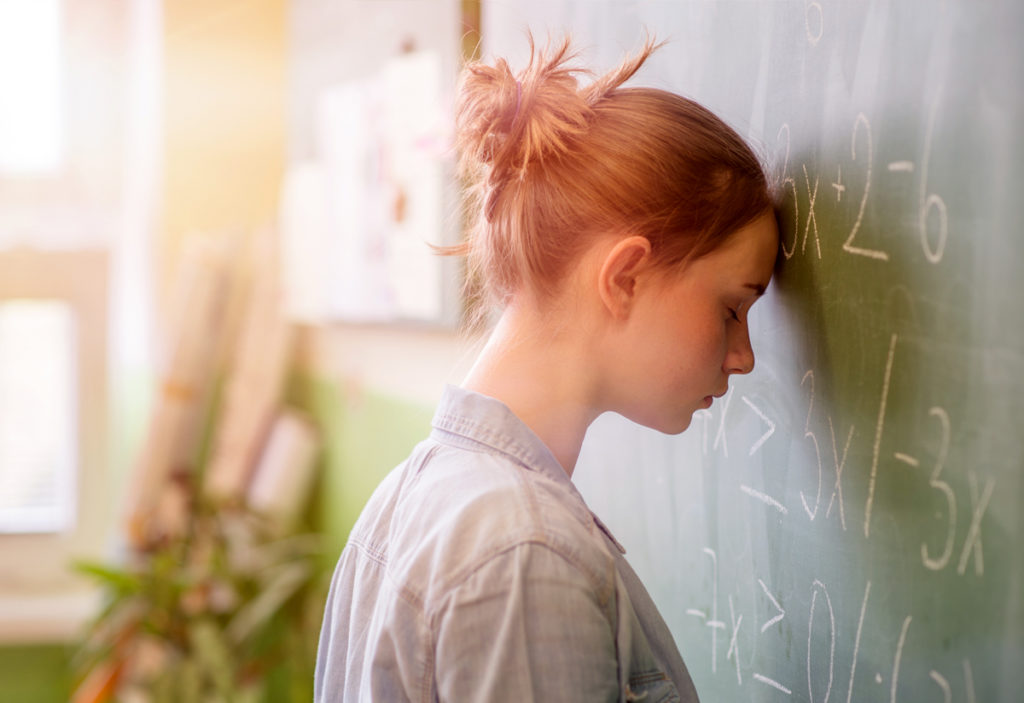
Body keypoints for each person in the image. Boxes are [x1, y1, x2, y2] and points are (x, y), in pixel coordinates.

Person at [314, 36, 779, 702]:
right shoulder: (524, 553)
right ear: (624, 277)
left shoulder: (404, 498)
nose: (744, 356)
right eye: (733, 308)